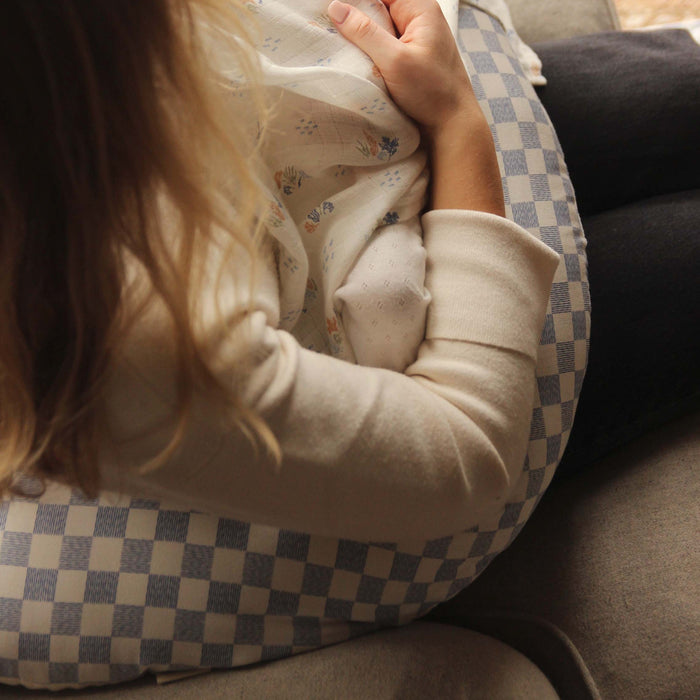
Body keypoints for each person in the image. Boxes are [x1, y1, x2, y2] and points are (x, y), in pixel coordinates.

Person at [0, 0, 567, 688]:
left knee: (652, 96)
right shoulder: (132, 327)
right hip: (438, 405)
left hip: (312, 176)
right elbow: (466, 452)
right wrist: (456, 119)